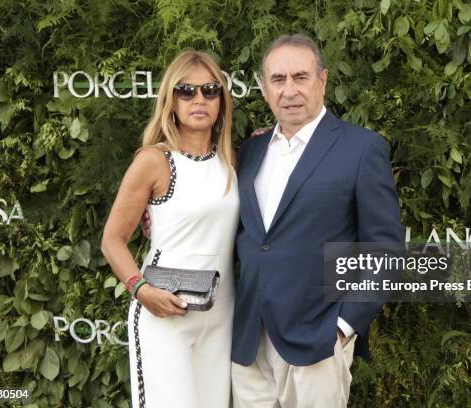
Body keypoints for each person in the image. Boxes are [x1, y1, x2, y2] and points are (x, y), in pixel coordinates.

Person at [230, 34, 404, 407]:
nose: (289, 90)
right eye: (278, 79)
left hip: (316, 343)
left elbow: (386, 250)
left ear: (322, 80)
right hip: (249, 342)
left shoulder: (361, 148)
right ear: (264, 89)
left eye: (300, 77)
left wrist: (343, 327)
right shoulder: (252, 150)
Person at [101, 50, 238, 408]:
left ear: (222, 101)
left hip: (222, 315)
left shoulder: (235, 160)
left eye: (210, 90)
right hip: (164, 312)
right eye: (186, 90)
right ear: (170, 99)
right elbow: (113, 240)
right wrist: (140, 289)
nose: (199, 99)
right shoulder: (153, 161)